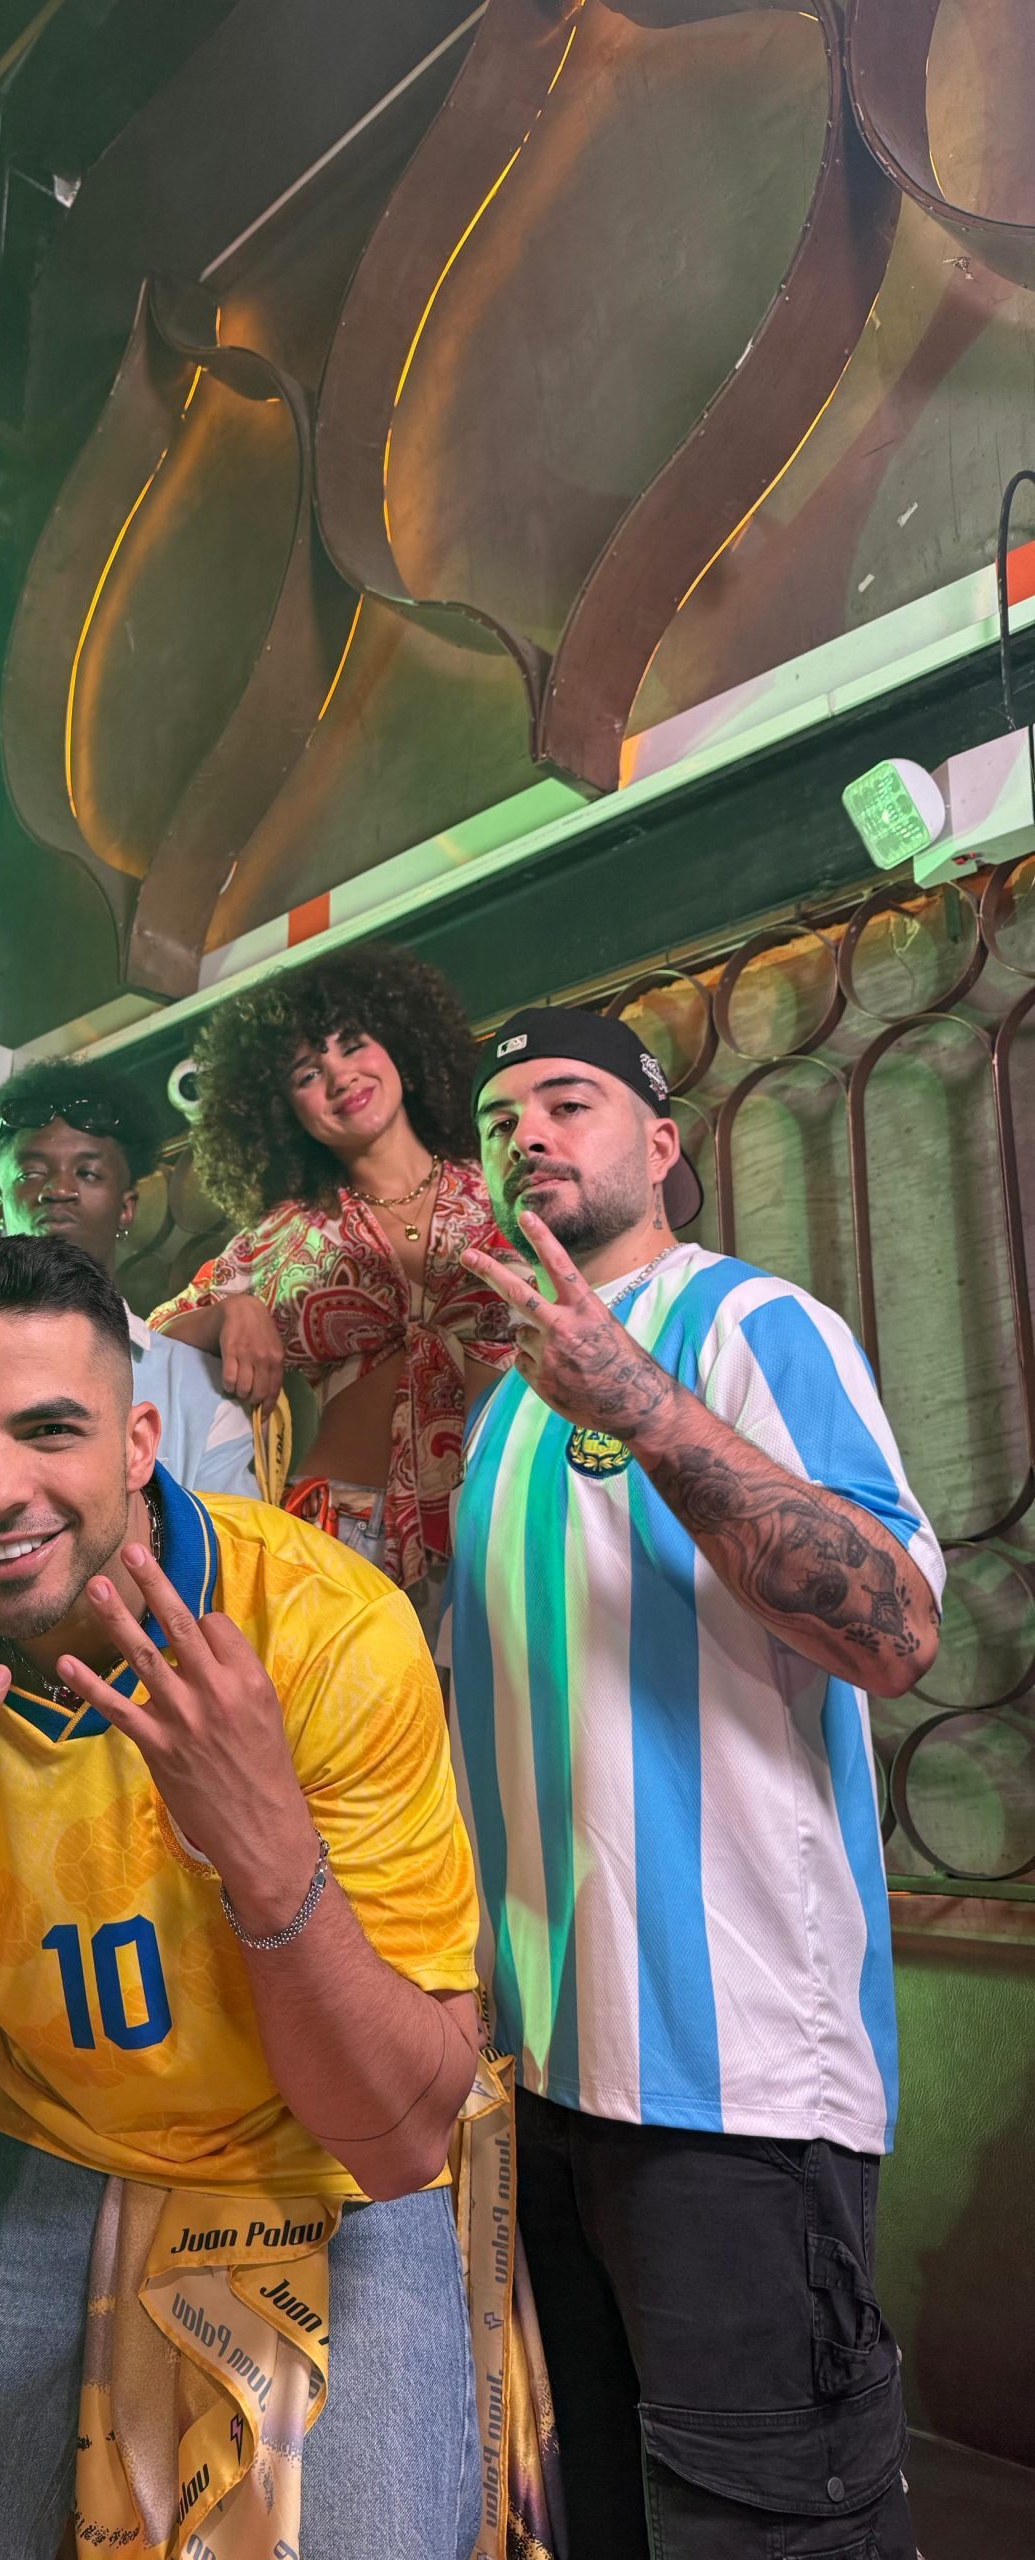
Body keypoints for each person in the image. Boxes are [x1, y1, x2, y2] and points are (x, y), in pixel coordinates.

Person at [0, 1233, 484, 2560]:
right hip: (15, 2139)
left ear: (138, 1444)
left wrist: (271, 1870)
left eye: (51, 1430)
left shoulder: (330, 1632)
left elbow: (400, 2142)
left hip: (311, 2158)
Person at [449, 1006, 944, 2560]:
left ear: (661, 1145)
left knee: (770, 2533)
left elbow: (898, 1630)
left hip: (738, 2093)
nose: (527, 1135)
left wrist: (645, 1408)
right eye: (498, 1120)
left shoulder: (749, 1323)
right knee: (598, 2520)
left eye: (569, 1102)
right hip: (544, 2082)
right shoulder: (502, 1405)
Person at [150, 943, 513, 1608]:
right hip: (343, 1532)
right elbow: (149, 1339)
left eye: (353, 1044)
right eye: (307, 1073)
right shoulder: (282, 1236)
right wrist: (230, 1311)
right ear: (280, 1110)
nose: (341, 1076)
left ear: (400, 1045)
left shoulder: (504, 1183)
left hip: (511, 1507)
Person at [0, 1062, 256, 1613]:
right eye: (31, 1173)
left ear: (127, 1207)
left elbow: (232, 1581)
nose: (58, 1190)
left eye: (88, 1173)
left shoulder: (198, 1388)